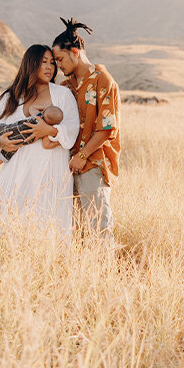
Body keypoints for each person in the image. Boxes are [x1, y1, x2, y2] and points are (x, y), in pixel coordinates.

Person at [0, 45, 80, 237]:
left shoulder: (62, 95)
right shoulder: (11, 97)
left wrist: (49, 130)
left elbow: (72, 129)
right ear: (30, 64)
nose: (50, 67)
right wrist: (1, 142)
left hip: (50, 172)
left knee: (47, 226)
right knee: (6, 227)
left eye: (52, 63)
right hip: (16, 171)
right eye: (43, 62)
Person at [50, 18, 120, 242]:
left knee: (98, 227)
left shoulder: (102, 80)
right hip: (66, 166)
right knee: (73, 230)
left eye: (60, 59)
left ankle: (104, 275)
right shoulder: (66, 87)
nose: (58, 66)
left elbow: (106, 128)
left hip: (92, 164)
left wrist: (82, 155)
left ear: (74, 52)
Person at [0, 105, 64, 177]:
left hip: (11, 129)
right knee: (5, 156)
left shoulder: (36, 116)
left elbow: (32, 108)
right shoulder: (45, 130)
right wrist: (57, 142)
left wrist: (45, 107)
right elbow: (46, 145)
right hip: (16, 142)